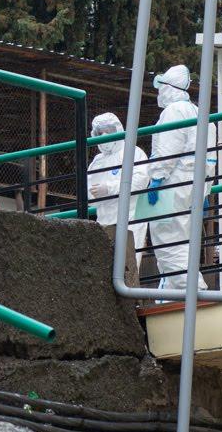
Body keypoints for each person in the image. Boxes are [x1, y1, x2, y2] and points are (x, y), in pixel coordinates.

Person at [143, 63, 209, 290]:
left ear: (168, 87)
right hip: (194, 184)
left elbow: (167, 149)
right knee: (183, 240)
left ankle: (193, 290)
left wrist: (156, 180)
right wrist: (205, 189)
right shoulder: (198, 111)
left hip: (172, 184)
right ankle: (172, 295)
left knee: (167, 240)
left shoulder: (173, 111)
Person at [87, 111, 150, 261]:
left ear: (117, 130)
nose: (104, 136)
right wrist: (96, 194)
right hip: (104, 220)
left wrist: (109, 188)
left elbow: (140, 181)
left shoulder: (133, 152)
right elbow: (90, 192)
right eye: (99, 132)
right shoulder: (97, 162)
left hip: (131, 218)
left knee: (128, 263)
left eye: (108, 131)